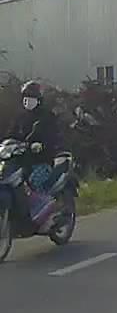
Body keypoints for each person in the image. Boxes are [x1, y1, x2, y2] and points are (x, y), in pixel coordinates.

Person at [6, 80, 61, 227]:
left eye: (31, 98)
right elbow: (10, 135)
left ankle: (45, 215)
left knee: (34, 182)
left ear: (39, 100)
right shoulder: (20, 117)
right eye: (25, 97)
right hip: (20, 160)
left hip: (41, 161)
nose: (27, 101)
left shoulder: (47, 117)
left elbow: (52, 137)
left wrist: (41, 145)